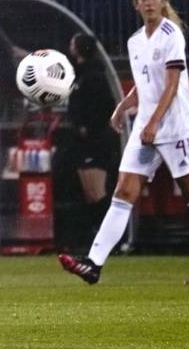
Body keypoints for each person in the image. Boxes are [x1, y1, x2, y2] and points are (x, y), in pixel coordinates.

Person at [59, 0, 189, 285]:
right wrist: (124, 105)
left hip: (176, 128)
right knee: (123, 192)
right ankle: (93, 264)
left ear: (163, 1)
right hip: (145, 128)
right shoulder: (136, 41)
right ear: (136, 4)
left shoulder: (171, 34)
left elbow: (172, 85)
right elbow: (146, 81)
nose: (148, 2)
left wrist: (152, 123)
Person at [66, 33, 117, 242]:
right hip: (83, 140)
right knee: (89, 192)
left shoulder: (94, 75)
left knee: (97, 192)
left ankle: (111, 237)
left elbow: (106, 106)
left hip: (95, 141)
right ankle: (99, 234)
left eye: (72, 43)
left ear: (79, 48)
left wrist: (87, 127)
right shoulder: (79, 74)